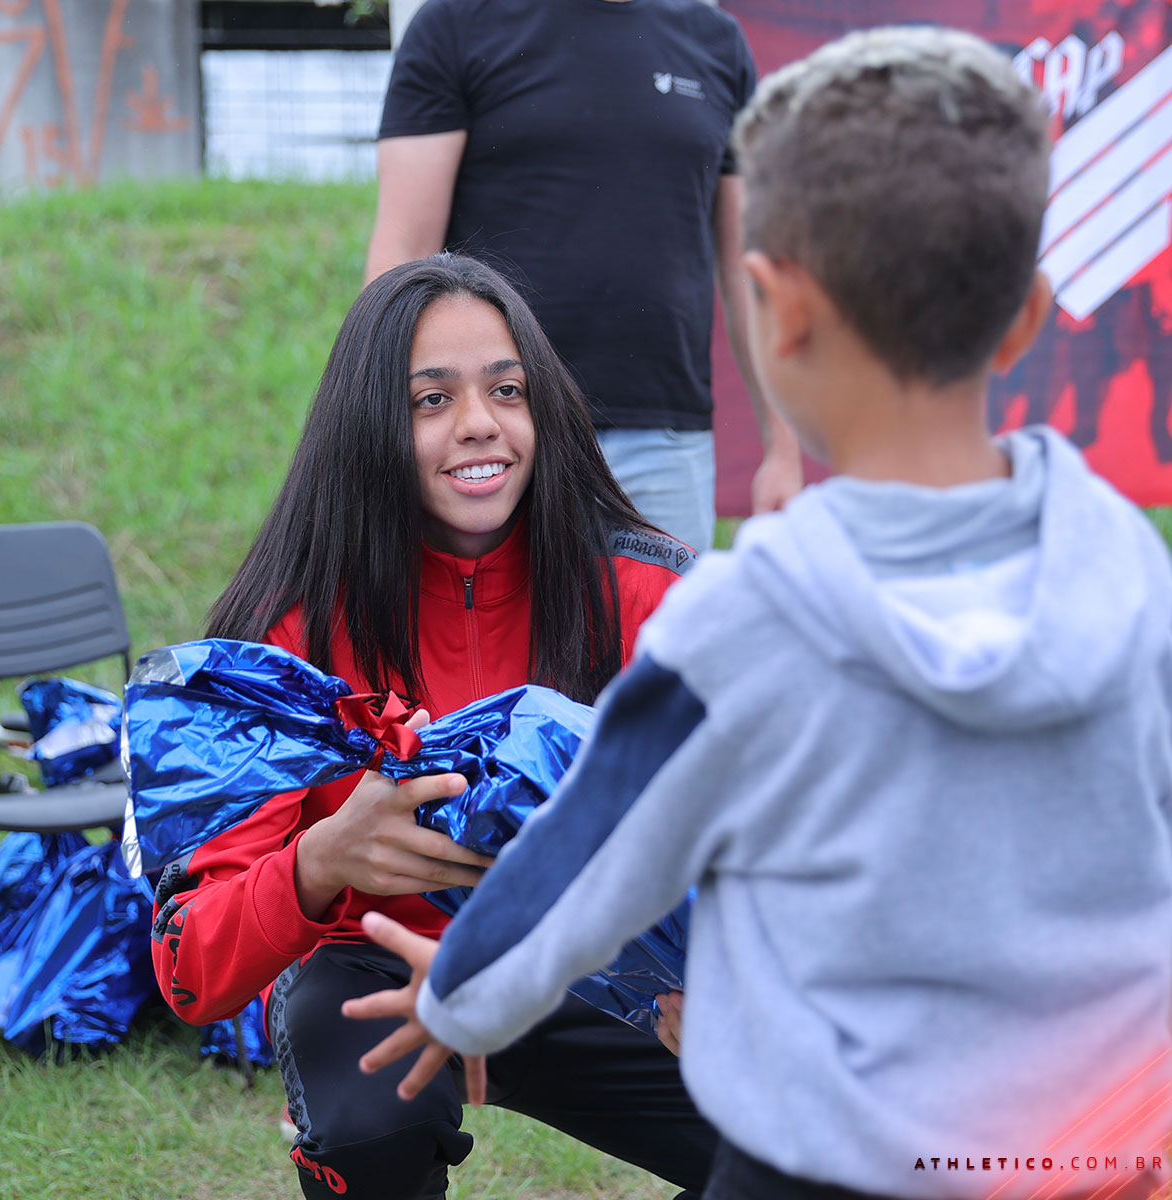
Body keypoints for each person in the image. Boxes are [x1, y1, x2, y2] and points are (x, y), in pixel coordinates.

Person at [344, 27, 1172, 1200]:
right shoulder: (1130, 576)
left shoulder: (740, 624)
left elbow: (586, 864)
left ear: (775, 313)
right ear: (1029, 315)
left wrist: (461, 993)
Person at [148, 254, 715, 1200]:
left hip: (593, 963)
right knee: (370, 1132)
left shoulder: (653, 593)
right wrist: (322, 859)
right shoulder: (284, 630)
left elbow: (784, 833)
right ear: (370, 424)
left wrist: (728, 973)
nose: (480, 423)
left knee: (809, 1124)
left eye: (506, 390)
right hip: (374, 964)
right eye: (431, 400)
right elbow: (189, 968)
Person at [364, 0, 803, 555]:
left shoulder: (714, 40)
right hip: (498, 430)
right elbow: (403, 255)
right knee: (496, 641)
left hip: (665, 443)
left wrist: (783, 450)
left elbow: (750, 271)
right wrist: (374, 430)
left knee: (658, 644)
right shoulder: (457, 23)